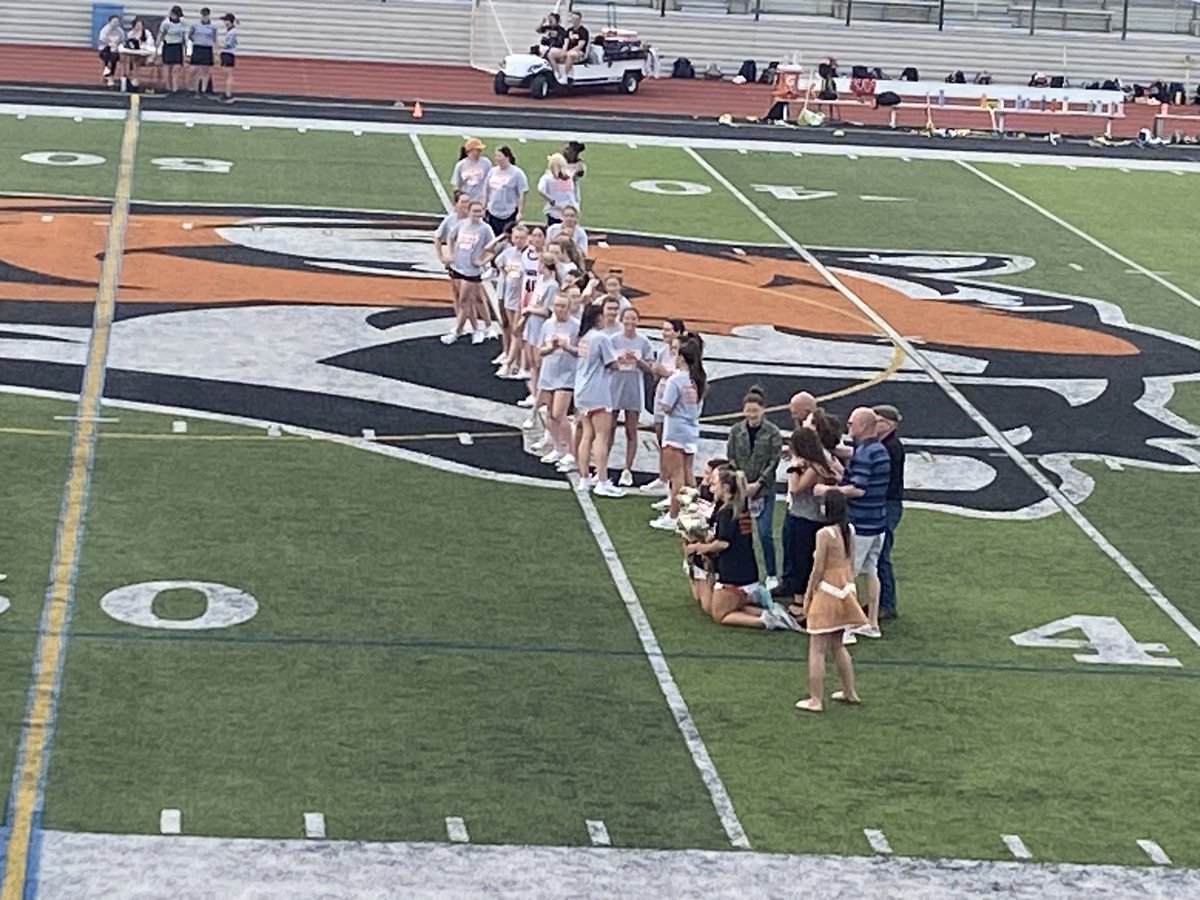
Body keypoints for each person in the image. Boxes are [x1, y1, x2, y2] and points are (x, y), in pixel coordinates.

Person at [684, 468, 796, 630]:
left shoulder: (727, 511)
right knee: (726, 608)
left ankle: (766, 620)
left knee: (719, 614)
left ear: (726, 488)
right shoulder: (736, 507)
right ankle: (771, 612)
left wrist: (699, 547)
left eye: (715, 484)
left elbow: (723, 543)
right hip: (745, 570)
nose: (711, 487)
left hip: (734, 574)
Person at [815, 407, 890, 638]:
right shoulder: (879, 450)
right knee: (871, 571)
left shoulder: (865, 453)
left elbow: (858, 489)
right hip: (878, 521)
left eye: (851, 424)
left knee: (848, 575)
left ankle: (847, 629)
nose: (848, 428)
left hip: (861, 523)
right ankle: (871, 623)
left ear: (864, 426)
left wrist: (828, 490)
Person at [794, 490, 868, 712]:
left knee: (816, 647)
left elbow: (818, 569)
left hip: (827, 591)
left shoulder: (824, 534)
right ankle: (850, 691)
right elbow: (851, 563)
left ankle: (815, 699)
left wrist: (807, 596)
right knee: (837, 643)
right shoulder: (849, 531)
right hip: (846, 590)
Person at [725, 386, 783, 591]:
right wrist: (740, 482)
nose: (751, 415)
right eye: (748, 411)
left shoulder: (773, 432)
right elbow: (731, 456)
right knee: (742, 534)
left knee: (765, 533)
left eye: (755, 411)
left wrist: (759, 483)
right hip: (741, 491)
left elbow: (774, 460)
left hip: (764, 490)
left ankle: (772, 573)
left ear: (763, 410)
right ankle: (747, 575)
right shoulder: (736, 431)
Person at [783, 426, 838, 621]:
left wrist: (794, 467)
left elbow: (795, 489)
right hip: (803, 517)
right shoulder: (819, 464)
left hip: (805, 520)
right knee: (800, 559)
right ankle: (805, 600)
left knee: (801, 561)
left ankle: (802, 604)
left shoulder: (813, 468)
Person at [568, 302, 622, 497]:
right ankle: (602, 480)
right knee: (601, 436)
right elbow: (613, 364)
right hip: (597, 391)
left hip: (581, 391)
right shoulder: (601, 338)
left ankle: (584, 477)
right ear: (598, 317)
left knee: (587, 435)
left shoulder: (584, 338)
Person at [652, 336, 704, 530]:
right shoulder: (698, 379)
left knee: (676, 476)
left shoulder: (676, 379)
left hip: (675, 431)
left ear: (681, 358)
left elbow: (666, 406)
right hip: (691, 429)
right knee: (688, 473)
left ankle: (674, 515)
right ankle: (692, 511)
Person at [774, 390, 820, 598]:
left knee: (800, 552)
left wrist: (794, 466)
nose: (792, 415)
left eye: (795, 412)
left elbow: (797, 487)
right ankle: (791, 582)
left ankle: (799, 591)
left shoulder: (816, 450)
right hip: (798, 508)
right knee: (791, 547)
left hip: (806, 510)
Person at [609, 306, 653, 487]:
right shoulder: (612, 340)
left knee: (631, 430)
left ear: (637, 321)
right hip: (614, 388)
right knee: (608, 429)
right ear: (621, 319)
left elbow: (650, 368)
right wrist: (618, 360)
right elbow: (606, 364)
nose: (630, 322)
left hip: (633, 389)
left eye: (633, 318)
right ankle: (602, 466)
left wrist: (638, 360)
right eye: (627, 318)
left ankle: (628, 469)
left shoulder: (643, 342)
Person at [441, 200, 496, 345]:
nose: (477, 214)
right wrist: (452, 254)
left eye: (480, 211)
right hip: (458, 267)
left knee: (465, 300)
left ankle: (457, 330)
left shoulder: (485, 229)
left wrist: (482, 261)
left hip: (471, 271)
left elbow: (493, 249)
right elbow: (450, 238)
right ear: (469, 211)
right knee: (464, 300)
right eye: (474, 211)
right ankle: (476, 329)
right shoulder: (462, 224)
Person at [535, 292, 580, 466]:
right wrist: (551, 348)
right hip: (549, 373)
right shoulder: (547, 325)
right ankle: (557, 447)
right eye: (557, 305)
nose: (559, 309)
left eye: (562, 306)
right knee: (549, 415)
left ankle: (570, 450)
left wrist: (567, 347)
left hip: (567, 375)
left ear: (569, 308)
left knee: (559, 414)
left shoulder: (575, 326)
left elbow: (580, 351)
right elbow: (540, 350)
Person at [643, 317, 684, 498]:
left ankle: (671, 479)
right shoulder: (661, 352)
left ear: (678, 333)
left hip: (676, 404)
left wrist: (664, 373)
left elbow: (683, 377)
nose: (664, 333)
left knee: (672, 444)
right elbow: (657, 377)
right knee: (660, 438)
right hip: (661, 396)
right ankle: (662, 476)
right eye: (664, 329)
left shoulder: (685, 354)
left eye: (668, 330)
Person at [873, 404, 905, 620]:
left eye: (877, 421)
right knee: (876, 554)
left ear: (888, 424)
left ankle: (887, 603)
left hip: (888, 504)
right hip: (888, 503)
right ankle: (880, 600)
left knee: (881, 553)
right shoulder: (888, 444)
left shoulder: (890, 447)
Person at [434, 191, 471, 345]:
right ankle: (461, 324)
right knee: (457, 296)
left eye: (467, 202)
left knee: (468, 298)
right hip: (455, 264)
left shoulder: (473, 221)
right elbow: (437, 237)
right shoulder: (450, 220)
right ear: (456, 203)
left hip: (469, 265)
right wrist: (442, 256)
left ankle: (470, 326)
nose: (465, 205)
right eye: (462, 202)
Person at [483, 146, 527, 236]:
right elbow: (487, 190)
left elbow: (522, 193)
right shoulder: (492, 172)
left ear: (507, 157)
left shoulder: (517, 173)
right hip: (492, 211)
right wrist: (484, 207)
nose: (497, 159)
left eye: (500, 156)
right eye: (496, 156)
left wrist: (520, 212)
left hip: (509, 212)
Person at [538, 153, 579, 225]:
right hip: (569, 209)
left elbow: (540, 190)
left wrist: (551, 200)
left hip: (556, 210)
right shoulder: (568, 176)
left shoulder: (547, 177)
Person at [548, 10, 589, 79]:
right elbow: (566, 42)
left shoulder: (583, 31)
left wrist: (569, 52)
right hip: (568, 50)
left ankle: (565, 75)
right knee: (551, 54)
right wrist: (563, 51)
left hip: (579, 52)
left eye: (576, 19)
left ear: (579, 20)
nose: (574, 21)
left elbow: (580, 45)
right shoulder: (569, 30)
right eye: (573, 19)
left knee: (570, 54)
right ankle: (556, 72)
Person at [451, 139, 492, 206]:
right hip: (466, 201)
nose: (480, 151)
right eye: (478, 150)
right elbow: (456, 185)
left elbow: (490, 182)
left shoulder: (486, 163)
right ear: (471, 151)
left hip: (481, 201)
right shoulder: (461, 165)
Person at [119, 18, 155, 93]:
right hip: (132, 54)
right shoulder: (130, 34)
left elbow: (150, 44)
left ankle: (133, 79)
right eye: (137, 25)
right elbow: (127, 44)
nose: (139, 27)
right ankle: (127, 79)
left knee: (134, 61)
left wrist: (141, 43)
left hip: (143, 56)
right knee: (126, 58)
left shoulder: (147, 33)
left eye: (140, 25)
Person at [157, 6, 187, 94]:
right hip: (168, 46)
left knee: (176, 69)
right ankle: (167, 87)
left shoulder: (182, 23)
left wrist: (185, 50)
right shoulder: (166, 23)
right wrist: (157, 46)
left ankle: (175, 89)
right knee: (167, 68)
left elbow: (183, 36)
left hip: (178, 46)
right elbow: (161, 35)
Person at [188, 8, 218, 97]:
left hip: (207, 48)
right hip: (197, 48)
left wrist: (216, 52)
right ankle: (194, 89)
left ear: (209, 15)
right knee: (193, 70)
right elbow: (190, 36)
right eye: (203, 15)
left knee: (205, 71)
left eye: (206, 15)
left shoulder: (213, 26)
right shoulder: (195, 25)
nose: (205, 17)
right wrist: (197, 41)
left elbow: (215, 39)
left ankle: (203, 90)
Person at [97, 14, 124, 88]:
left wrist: (117, 46)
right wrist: (110, 44)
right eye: (114, 21)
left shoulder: (120, 31)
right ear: (109, 22)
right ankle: (109, 77)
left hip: (116, 50)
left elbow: (123, 41)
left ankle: (110, 76)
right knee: (108, 57)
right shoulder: (105, 30)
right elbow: (102, 40)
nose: (115, 23)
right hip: (105, 49)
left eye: (117, 22)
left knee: (114, 58)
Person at [218, 13, 238, 103]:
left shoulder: (233, 32)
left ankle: (228, 94)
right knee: (225, 74)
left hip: (228, 54)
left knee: (228, 74)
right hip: (225, 53)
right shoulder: (229, 31)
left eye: (227, 21)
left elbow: (228, 45)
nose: (225, 23)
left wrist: (220, 45)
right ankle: (226, 92)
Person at [562, 141, 587, 211]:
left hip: (571, 201)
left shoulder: (580, 165)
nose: (564, 151)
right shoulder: (559, 162)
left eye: (567, 149)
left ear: (574, 152)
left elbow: (577, 172)